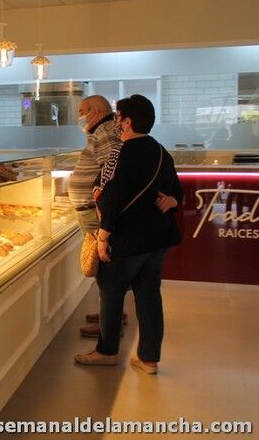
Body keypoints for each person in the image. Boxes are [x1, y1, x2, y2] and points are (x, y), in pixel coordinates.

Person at [75, 95, 183, 374]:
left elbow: (111, 197)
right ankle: (149, 359)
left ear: (127, 121)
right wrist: (172, 201)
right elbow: (176, 190)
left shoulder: (119, 153)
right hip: (157, 238)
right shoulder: (161, 151)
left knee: (111, 292)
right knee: (149, 295)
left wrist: (103, 237)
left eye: (118, 117)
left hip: (126, 238)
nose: (116, 122)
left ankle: (106, 351)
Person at [68, 95, 123, 338]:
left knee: (103, 266)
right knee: (103, 266)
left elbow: (110, 175)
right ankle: (108, 314)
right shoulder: (102, 131)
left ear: (96, 111)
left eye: (82, 111)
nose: (80, 117)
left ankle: (109, 323)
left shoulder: (105, 132)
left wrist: (103, 209)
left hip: (94, 211)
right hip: (91, 209)